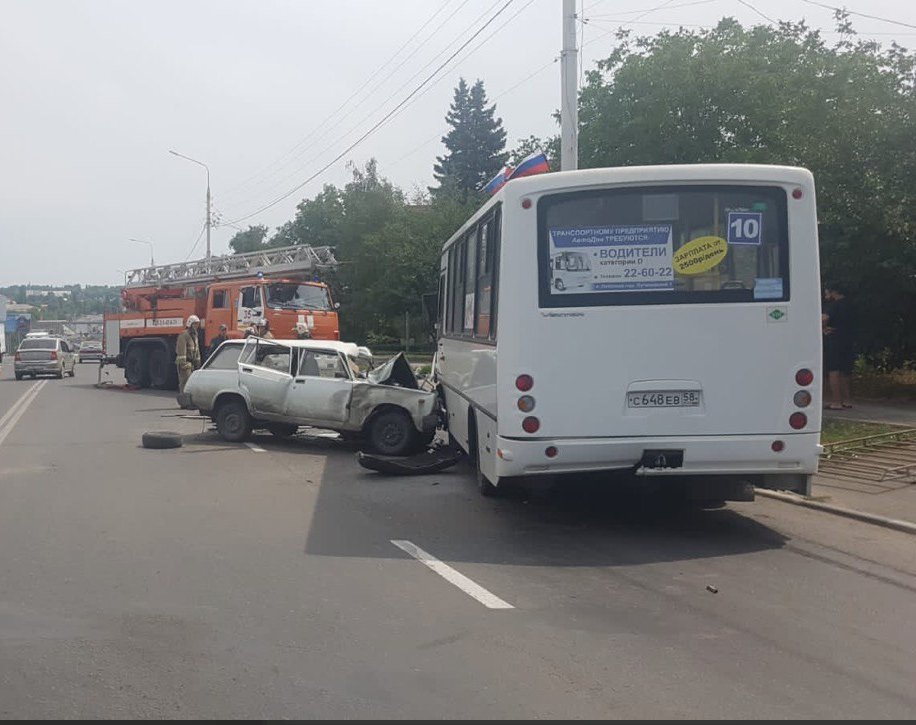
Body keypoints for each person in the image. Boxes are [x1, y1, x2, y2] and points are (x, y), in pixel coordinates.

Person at [822, 283, 854, 410]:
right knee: (844, 371)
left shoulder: (833, 305)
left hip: (834, 339)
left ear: (833, 292)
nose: (825, 296)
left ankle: (836, 401)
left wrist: (822, 328)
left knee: (833, 370)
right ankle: (847, 400)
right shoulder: (850, 304)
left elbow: (824, 318)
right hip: (848, 339)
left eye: (826, 293)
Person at [176, 315, 202, 394]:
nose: (196, 326)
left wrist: (198, 362)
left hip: (192, 363)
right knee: (185, 382)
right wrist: (183, 363)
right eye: (194, 324)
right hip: (186, 363)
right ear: (190, 324)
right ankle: (184, 402)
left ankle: (189, 401)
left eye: (197, 324)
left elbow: (196, 349)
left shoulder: (195, 335)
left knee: (191, 383)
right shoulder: (184, 335)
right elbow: (181, 350)